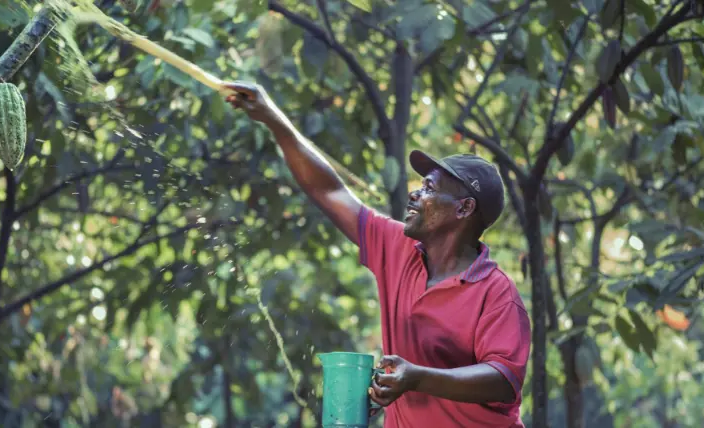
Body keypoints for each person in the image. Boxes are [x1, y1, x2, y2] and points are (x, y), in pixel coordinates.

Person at [225, 81, 531, 428]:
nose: (415, 194)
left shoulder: (497, 294)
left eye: (429, 188)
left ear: (464, 209)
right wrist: (273, 118)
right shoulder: (397, 248)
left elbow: (504, 380)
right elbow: (329, 190)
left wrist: (416, 377)